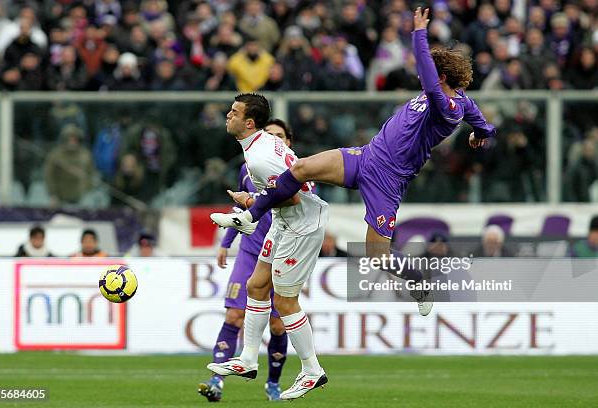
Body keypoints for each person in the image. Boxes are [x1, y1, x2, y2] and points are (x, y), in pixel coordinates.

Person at [210, 8, 497, 317]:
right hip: (366, 156)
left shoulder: (448, 106)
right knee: (300, 169)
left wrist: (418, 34)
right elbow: (482, 120)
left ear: (440, 77)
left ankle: (419, 281)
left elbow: (438, 86)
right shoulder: (461, 100)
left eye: (426, 72)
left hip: (388, 179)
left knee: (377, 256)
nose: (419, 74)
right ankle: (252, 214)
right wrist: (480, 133)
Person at [208, 94, 328, 400]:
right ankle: (248, 360)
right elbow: (281, 190)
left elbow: (292, 197)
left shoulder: (260, 158)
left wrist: (250, 205)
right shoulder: (260, 145)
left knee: (286, 304)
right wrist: (252, 205)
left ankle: (312, 370)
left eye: (233, 112)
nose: (227, 115)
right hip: (283, 220)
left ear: (249, 122)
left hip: (300, 226)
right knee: (256, 285)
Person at [198, 119, 294, 402]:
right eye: (270, 135)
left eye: (280, 136)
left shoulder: (299, 172)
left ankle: (273, 384)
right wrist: (226, 243)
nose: (275, 139)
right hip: (251, 252)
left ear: (289, 142)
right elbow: (239, 206)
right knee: (233, 315)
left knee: (278, 325)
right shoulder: (249, 167)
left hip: (282, 254)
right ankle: (216, 380)